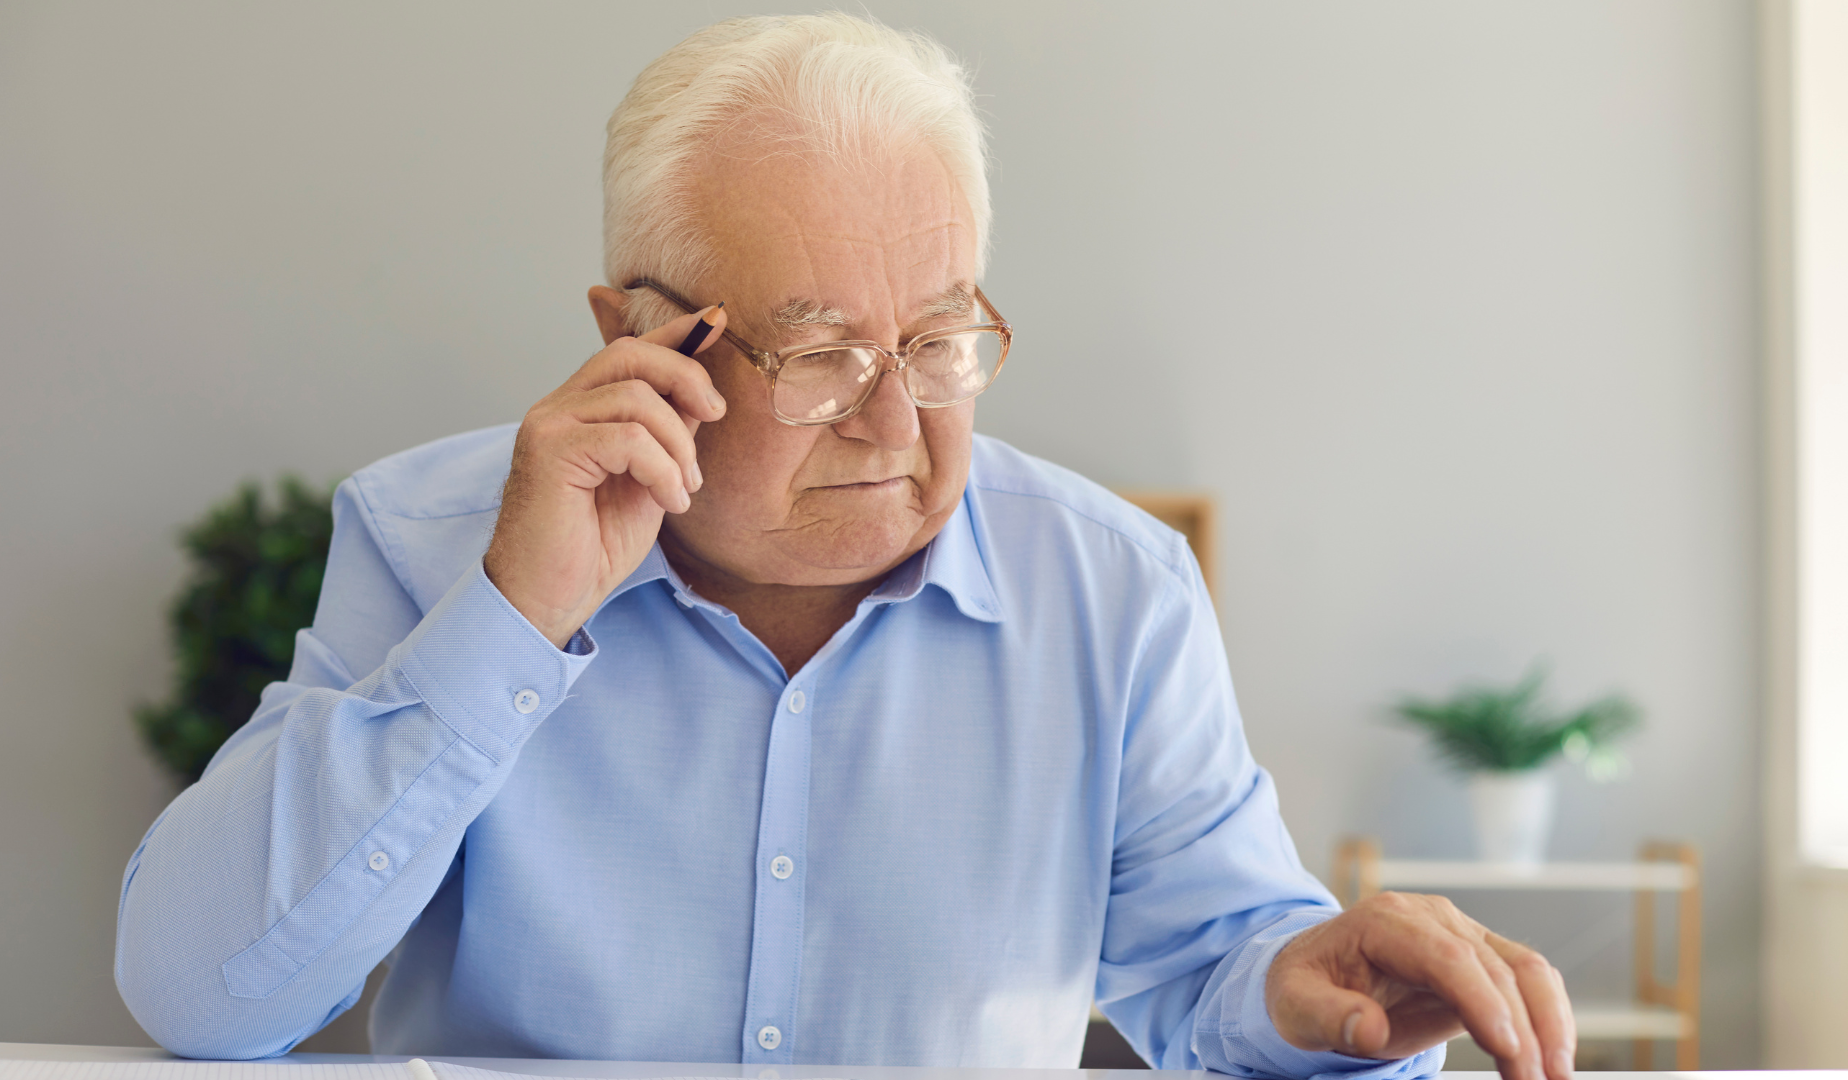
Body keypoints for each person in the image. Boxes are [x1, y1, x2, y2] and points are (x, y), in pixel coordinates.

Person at [115, 14, 1574, 1079]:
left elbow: (1213, 977)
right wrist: (512, 617)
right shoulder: (436, 540)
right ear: (639, 337)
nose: (894, 419)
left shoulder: (1115, 590)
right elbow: (204, 997)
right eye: (816, 354)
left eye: (940, 339)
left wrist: (1301, 993)